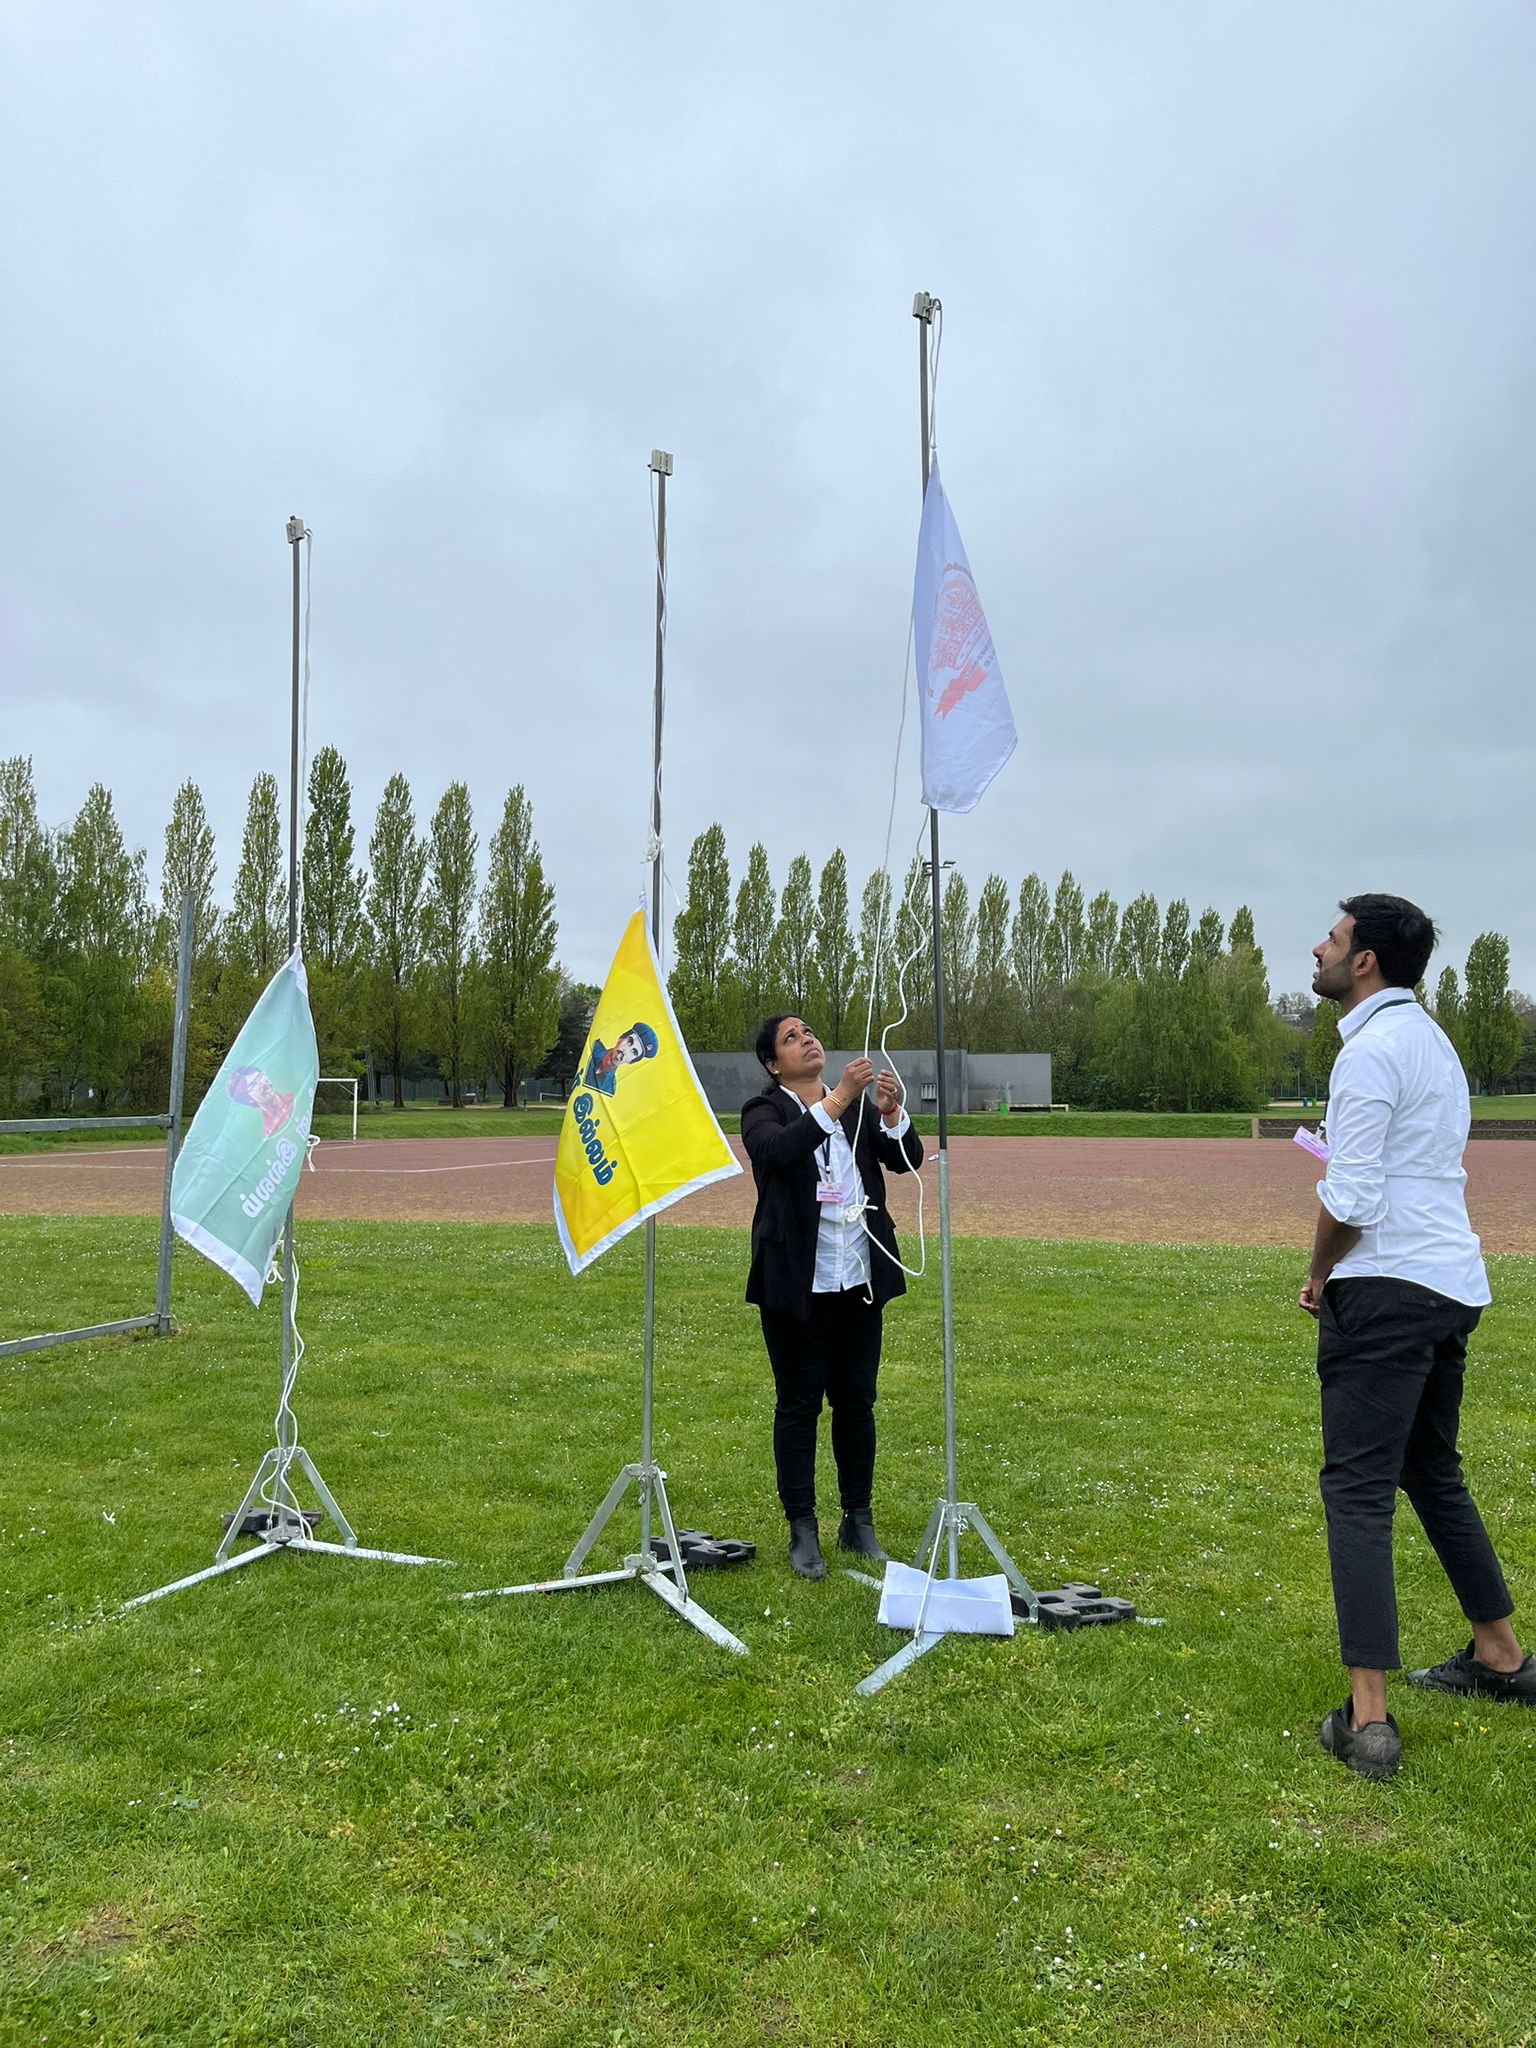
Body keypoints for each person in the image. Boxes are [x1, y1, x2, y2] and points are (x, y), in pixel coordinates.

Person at [1301, 894, 1532, 1780]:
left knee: (1356, 1492)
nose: (1317, 950)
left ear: (1364, 961)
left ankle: (1367, 1719)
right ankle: (1500, 1654)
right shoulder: (1433, 1041)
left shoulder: (1368, 1053)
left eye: (1331, 939)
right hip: (1449, 1284)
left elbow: (1354, 1199)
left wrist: (1319, 1271)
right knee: (1432, 1472)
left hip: (1385, 1289)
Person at [741, 1015, 923, 1579]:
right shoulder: (762, 1111)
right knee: (799, 1405)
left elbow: (908, 1160)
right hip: (797, 1286)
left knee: (857, 1402)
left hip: (858, 1279)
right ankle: (802, 1528)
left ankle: (857, 1520)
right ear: (773, 1064)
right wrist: (841, 1096)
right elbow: (780, 1152)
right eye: (791, 1038)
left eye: (808, 1032)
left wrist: (889, 1113)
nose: (807, 1039)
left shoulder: (858, 1109)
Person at [583, 1021, 659, 1096]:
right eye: (629, 1041)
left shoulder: (609, 1089)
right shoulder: (592, 1047)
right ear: (621, 1038)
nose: (625, 1050)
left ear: (631, 1061)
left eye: (634, 1052)